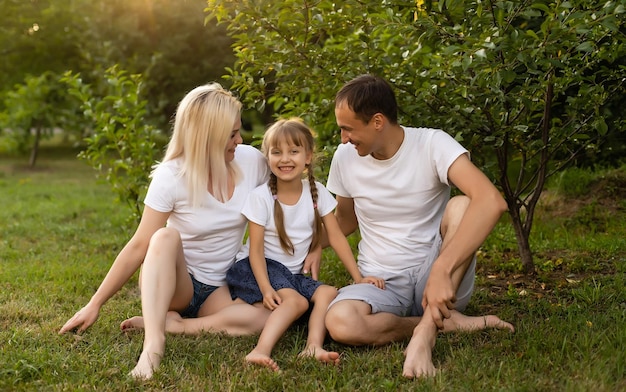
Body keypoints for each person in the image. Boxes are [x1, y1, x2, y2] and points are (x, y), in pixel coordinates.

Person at [58, 83, 274, 380]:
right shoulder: (171, 176)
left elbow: (287, 200)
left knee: (266, 318)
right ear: (207, 136)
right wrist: (94, 304)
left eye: (239, 131)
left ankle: (171, 325)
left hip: (220, 288)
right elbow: (139, 245)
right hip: (176, 285)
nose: (240, 139)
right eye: (232, 134)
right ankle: (153, 344)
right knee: (163, 236)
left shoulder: (251, 162)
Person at [322, 74, 515, 379]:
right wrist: (292, 243)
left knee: (463, 205)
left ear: (377, 121)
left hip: (439, 278)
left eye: (347, 129)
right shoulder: (345, 158)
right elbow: (345, 220)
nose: (343, 138)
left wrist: (441, 270)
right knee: (340, 323)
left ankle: (426, 332)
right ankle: (444, 322)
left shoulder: (431, 143)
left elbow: (491, 201)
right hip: (381, 282)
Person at [225, 118, 385, 372]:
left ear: (308, 157)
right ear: (268, 158)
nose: (285, 159)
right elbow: (255, 250)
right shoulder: (261, 197)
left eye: (294, 151)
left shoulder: (317, 192)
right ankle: (259, 350)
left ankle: (313, 347)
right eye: (276, 152)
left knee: (327, 293)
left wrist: (358, 278)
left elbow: (336, 237)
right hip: (257, 268)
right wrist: (266, 289)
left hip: (291, 274)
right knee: (297, 303)